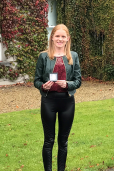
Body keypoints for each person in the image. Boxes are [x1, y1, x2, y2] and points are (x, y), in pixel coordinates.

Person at [34, 24, 81, 171]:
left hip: (67, 102)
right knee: (49, 141)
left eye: (63, 36)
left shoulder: (73, 56)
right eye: (57, 36)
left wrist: (67, 84)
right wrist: (43, 86)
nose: (60, 39)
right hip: (49, 101)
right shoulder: (43, 56)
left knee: (63, 141)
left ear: (67, 39)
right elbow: (36, 80)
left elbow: (78, 81)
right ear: (52, 38)